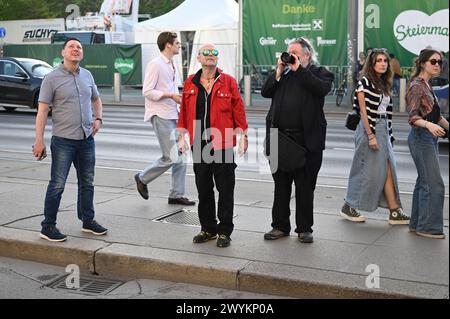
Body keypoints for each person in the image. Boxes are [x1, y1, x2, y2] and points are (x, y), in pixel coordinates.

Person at [33, 38, 107, 242]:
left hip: (86, 139)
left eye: (79, 47)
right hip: (63, 141)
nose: (76, 49)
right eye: (72, 47)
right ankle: (47, 226)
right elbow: (42, 111)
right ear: (62, 52)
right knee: (57, 184)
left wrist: (98, 118)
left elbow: (96, 98)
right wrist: (39, 141)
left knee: (87, 183)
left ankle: (87, 221)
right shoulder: (51, 78)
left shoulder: (87, 75)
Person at [261, 37, 334, 243]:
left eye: (295, 53)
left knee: (305, 187)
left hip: (306, 141)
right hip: (280, 139)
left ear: (307, 55)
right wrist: (278, 71)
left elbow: (321, 88)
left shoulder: (320, 72)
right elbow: (266, 92)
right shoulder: (282, 75)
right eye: (288, 52)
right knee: (281, 187)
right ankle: (280, 226)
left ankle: (304, 228)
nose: (290, 56)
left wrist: (297, 69)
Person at [177, 43, 248, 248]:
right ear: (198, 58)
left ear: (217, 58)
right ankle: (208, 228)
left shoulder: (228, 82)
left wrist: (242, 136)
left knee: (225, 188)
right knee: (204, 188)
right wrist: (182, 136)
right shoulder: (191, 82)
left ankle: (224, 231)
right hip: (199, 141)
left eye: (214, 52)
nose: (210, 55)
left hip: (223, 140)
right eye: (206, 52)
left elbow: (239, 110)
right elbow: (184, 112)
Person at [340, 48, 410, 225]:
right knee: (363, 169)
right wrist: (371, 135)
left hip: (383, 128)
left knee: (387, 169)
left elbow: (387, 112)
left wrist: (389, 136)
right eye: (378, 61)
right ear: (371, 64)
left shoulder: (383, 83)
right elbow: (364, 111)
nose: (383, 64)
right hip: (369, 128)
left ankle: (394, 211)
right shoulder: (365, 82)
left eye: (385, 61)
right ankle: (349, 205)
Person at [134, 32, 195, 206]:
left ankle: (176, 194)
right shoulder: (156, 64)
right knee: (171, 156)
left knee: (181, 155)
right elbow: (147, 91)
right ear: (168, 45)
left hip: (173, 113)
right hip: (161, 114)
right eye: (176, 42)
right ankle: (142, 177)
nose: (179, 45)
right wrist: (170, 95)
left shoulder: (172, 63)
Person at [406, 49, 449, 239]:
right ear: (423, 63)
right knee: (434, 185)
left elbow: (437, 116)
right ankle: (428, 227)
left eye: (440, 62)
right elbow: (413, 117)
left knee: (423, 182)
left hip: (428, 138)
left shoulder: (427, 85)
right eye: (433, 61)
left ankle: (417, 224)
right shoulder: (417, 86)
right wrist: (429, 125)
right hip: (420, 136)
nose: (437, 65)